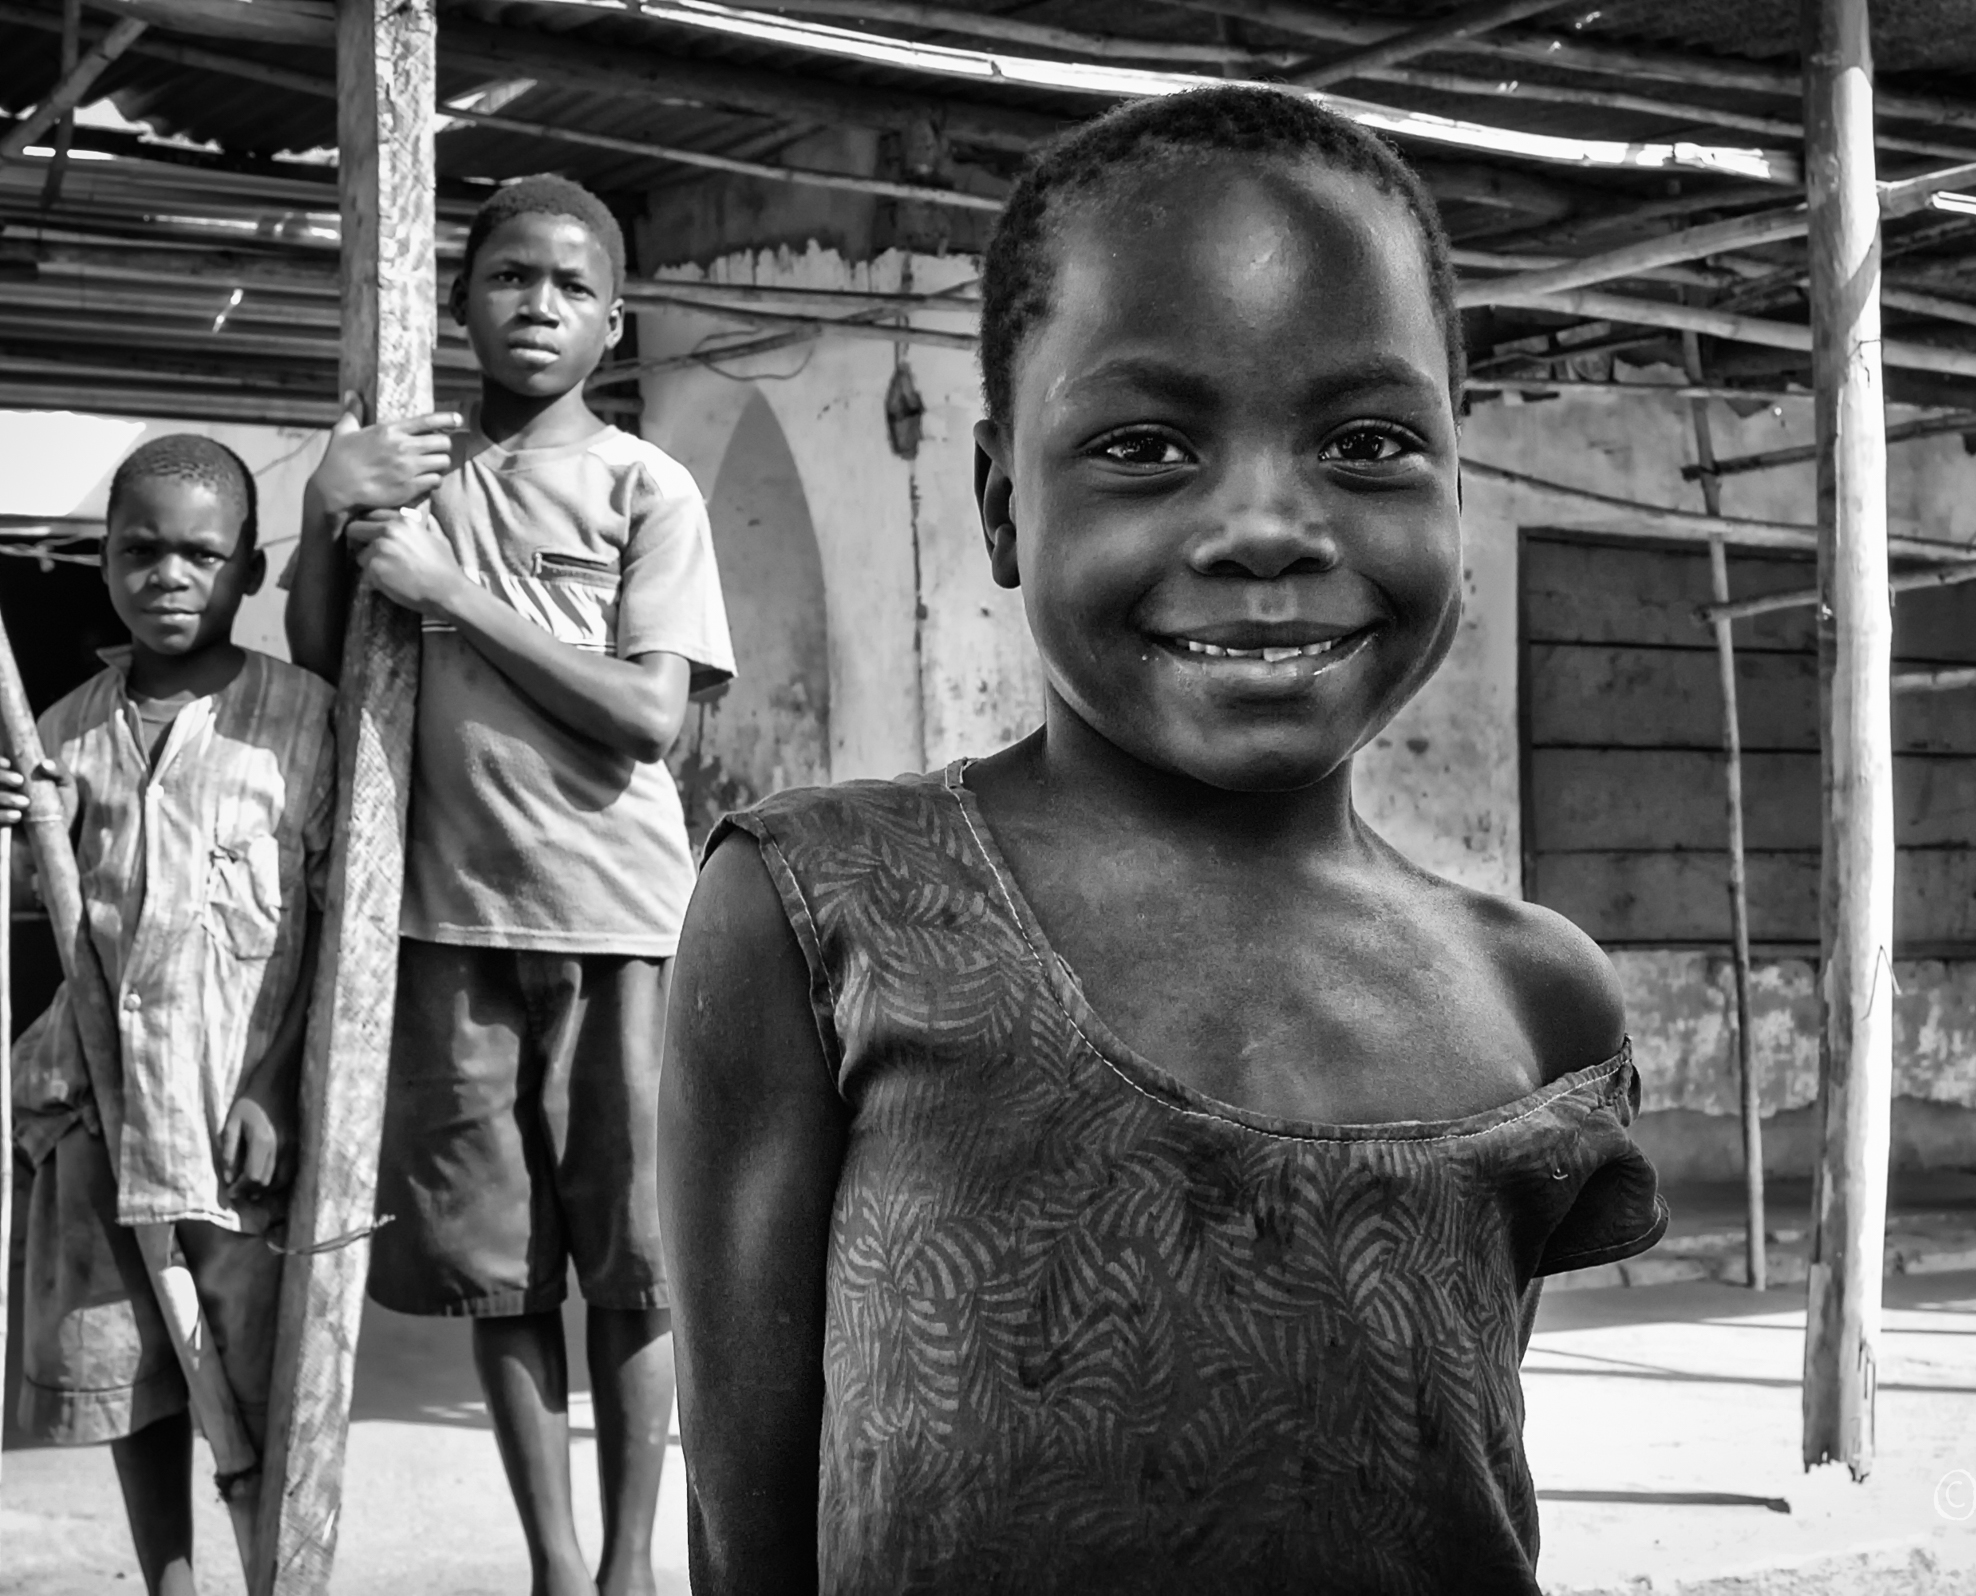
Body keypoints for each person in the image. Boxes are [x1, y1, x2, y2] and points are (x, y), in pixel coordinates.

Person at [660, 85, 1668, 1596]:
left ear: (1458, 484)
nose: (1267, 527)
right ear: (1002, 503)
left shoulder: (1538, 998)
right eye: (1144, 445)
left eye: (1369, 441)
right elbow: (746, 1538)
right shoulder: (825, 913)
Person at [282, 173, 734, 1596]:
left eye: (571, 286)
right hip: (441, 925)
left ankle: (630, 1569)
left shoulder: (646, 486)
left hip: (620, 921)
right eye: (509, 278)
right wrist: (325, 508)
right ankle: (552, 1569)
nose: (539, 304)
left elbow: (651, 715)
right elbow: (323, 666)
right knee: (499, 1267)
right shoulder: (405, 469)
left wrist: (452, 594)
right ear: (459, 300)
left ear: (615, 322)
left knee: (637, 1264)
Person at [2, 435, 333, 1596]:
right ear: (102, 562)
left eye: (201, 554)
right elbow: (39, 907)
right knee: (132, 1375)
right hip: (98, 1107)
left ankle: (273, 1574)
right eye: (141, 552)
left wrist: (279, 1086)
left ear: (251, 570)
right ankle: (172, 1584)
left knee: (258, 1379)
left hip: (239, 1119)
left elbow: (337, 927)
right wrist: (15, 827)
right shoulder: (60, 734)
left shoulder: (305, 723)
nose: (169, 577)